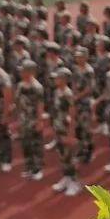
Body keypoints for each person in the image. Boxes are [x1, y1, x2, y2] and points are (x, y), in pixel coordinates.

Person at [50, 67, 81, 195]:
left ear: (63, 79)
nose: (55, 80)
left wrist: (71, 134)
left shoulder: (68, 95)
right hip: (59, 128)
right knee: (63, 156)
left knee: (70, 156)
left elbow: (72, 115)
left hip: (67, 130)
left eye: (57, 77)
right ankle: (66, 178)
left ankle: (74, 183)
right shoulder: (57, 92)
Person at [16, 59, 45, 180]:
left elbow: (40, 105)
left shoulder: (37, 87)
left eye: (23, 71)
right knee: (25, 144)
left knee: (36, 144)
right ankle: (29, 167)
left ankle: (38, 169)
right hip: (24, 119)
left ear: (30, 72)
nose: (20, 73)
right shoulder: (21, 85)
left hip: (33, 120)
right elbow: (17, 101)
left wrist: (40, 121)